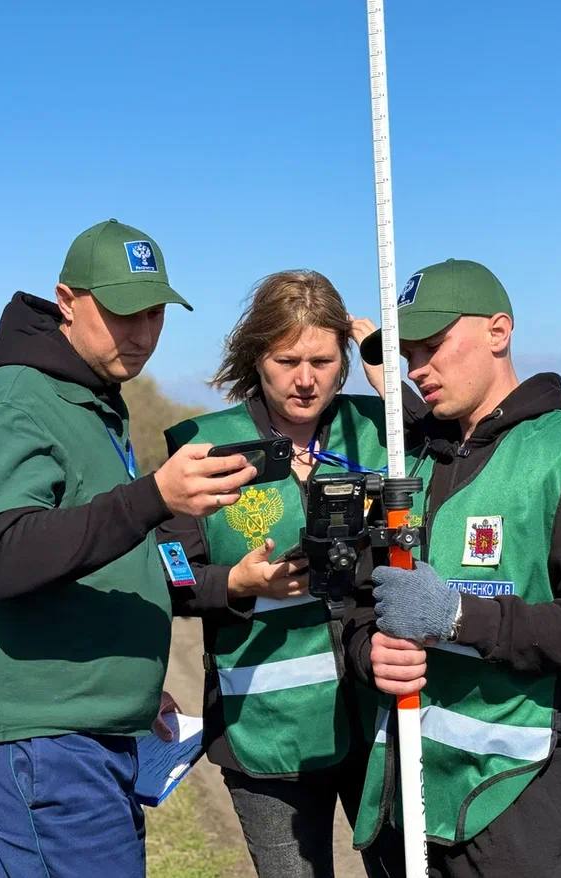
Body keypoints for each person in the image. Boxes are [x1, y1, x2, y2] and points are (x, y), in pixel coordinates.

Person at [0, 219, 257, 877]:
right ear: (66, 300)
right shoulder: (15, 399)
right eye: (121, 313)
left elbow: (95, 548)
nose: (141, 334)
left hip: (89, 732)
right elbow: (8, 556)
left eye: (154, 314)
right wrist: (155, 497)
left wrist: (128, 683)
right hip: (43, 741)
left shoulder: (92, 402)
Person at [345, 259, 561, 877]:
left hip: (515, 802)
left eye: (433, 344)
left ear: (499, 332)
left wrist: (457, 616)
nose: (417, 366)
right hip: (407, 795)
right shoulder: (413, 463)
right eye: (406, 353)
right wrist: (369, 651)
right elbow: (366, 602)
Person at [156, 270, 428, 878]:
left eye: (323, 360)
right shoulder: (203, 447)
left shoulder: (385, 430)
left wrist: (391, 383)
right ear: (257, 357)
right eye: (286, 360)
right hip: (265, 737)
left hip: (378, 720)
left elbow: (450, 458)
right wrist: (238, 585)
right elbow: (170, 578)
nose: (305, 379)